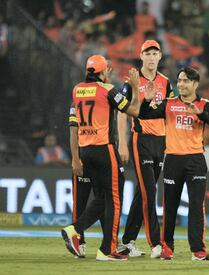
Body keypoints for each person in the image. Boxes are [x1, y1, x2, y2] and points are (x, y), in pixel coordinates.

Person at [136, 67, 209, 260]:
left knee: (197, 206)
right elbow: (144, 115)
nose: (181, 84)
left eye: (186, 81)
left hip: (196, 160)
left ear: (195, 84)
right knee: (170, 206)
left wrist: (199, 113)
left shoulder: (204, 104)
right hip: (173, 159)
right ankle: (167, 247)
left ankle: (197, 249)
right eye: (179, 80)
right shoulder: (169, 104)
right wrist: (146, 100)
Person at [62, 54, 140, 261]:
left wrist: (75, 158)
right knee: (114, 199)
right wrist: (136, 88)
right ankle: (107, 250)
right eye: (107, 70)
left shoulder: (77, 91)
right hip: (104, 150)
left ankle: (75, 229)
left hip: (85, 151)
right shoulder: (107, 89)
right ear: (101, 71)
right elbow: (133, 110)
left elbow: (73, 129)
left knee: (102, 198)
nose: (109, 73)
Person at [117, 40, 173, 258]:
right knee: (150, 191)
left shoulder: (166, 82)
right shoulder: (132, 81)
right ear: (141, 56)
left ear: (160, 57)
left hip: (161, 141)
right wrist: (122, 142)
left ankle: (127, 242)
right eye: (147, 53)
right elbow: (122, 112)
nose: (151, 58)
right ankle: (155, 244)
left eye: (155, 53)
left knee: (143, 193)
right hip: (141, 140)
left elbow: (169, 112)